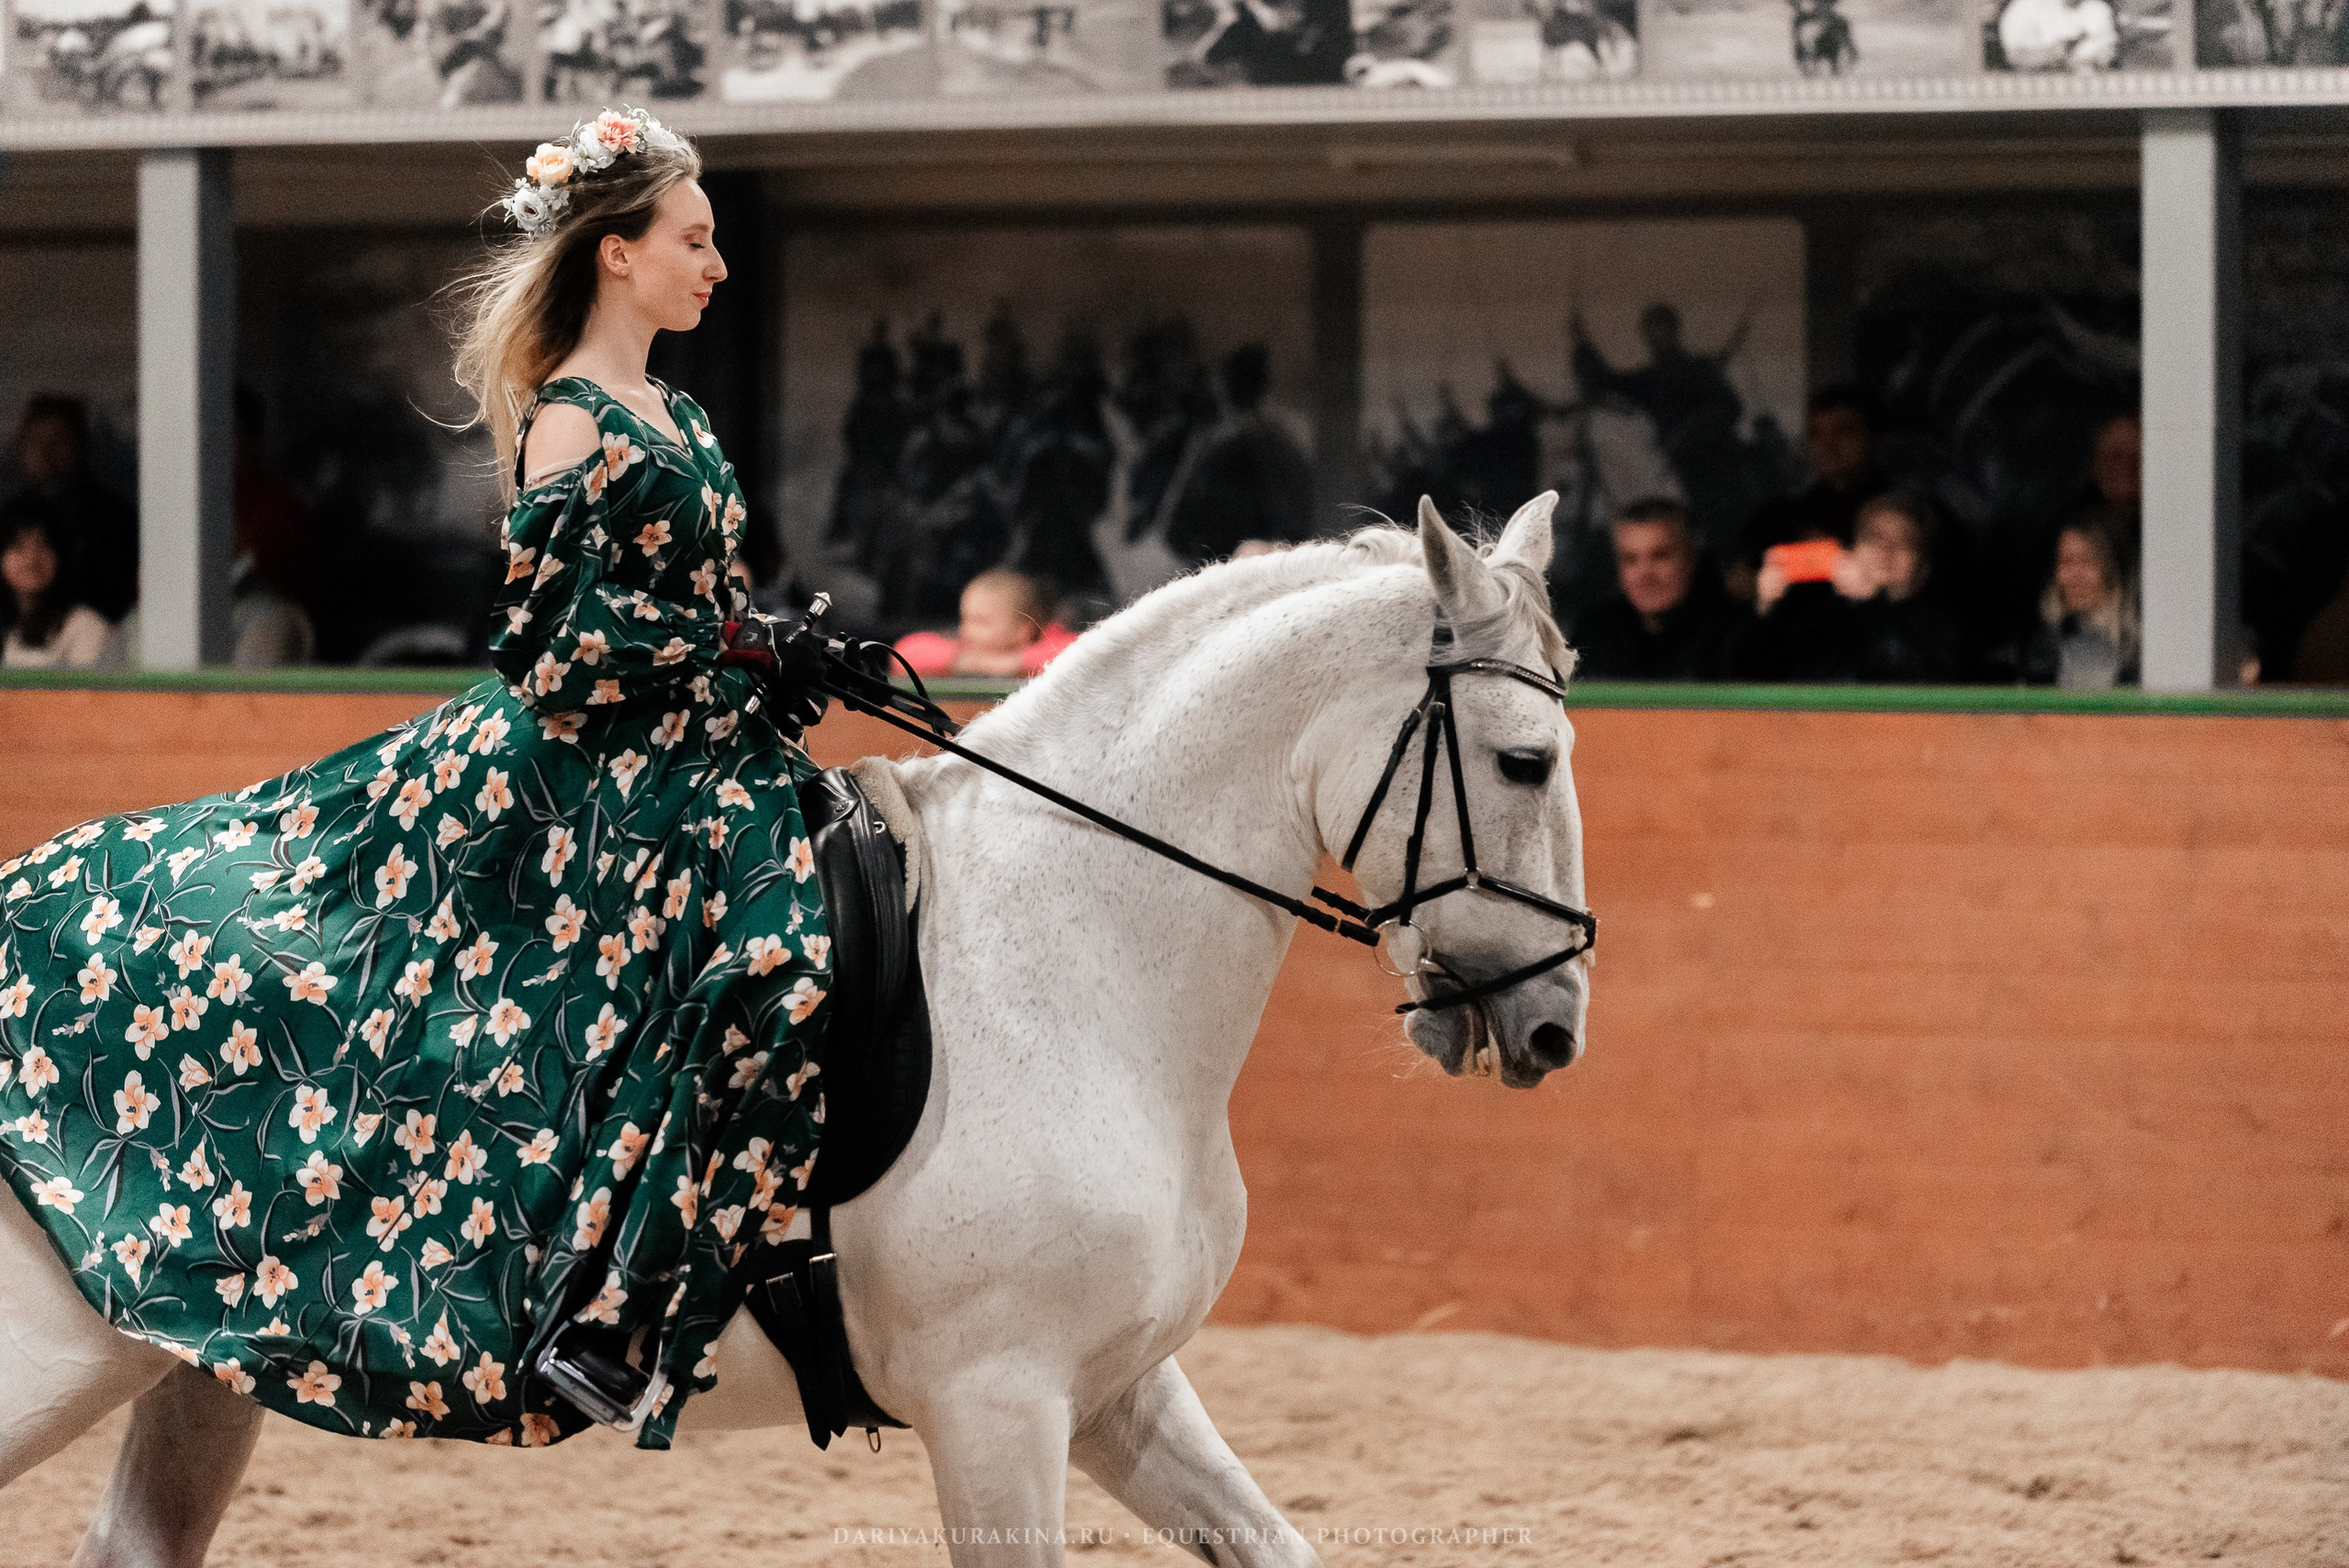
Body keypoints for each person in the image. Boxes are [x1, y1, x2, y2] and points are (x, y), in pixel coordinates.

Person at [0, 107, 830, 1458]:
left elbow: (693, 598)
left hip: (694, 753)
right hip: (576, 776)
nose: (717, 264)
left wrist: (773, 648)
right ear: (617, 255)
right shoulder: (567, 419)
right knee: (678, 989)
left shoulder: (673, 407)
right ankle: (590, 1308)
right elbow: (553, 647)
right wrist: (729, 641)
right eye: (696, 239)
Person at [1737, 488, 1963, 683]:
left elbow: (1913, 676)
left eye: (1904, 541)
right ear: (1854, 549)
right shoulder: (1825, 613)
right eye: (1874, 537)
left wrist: (1870, 602)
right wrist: (1765, 608)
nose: (1885, 549)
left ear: (1922, 565)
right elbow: (1752, 674)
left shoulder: (1939, 623)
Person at [1731, 383, 1885, 605]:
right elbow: (1740, 582)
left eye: (1844, 432)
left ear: (1875, 439)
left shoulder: (1910, 514)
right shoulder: (1779, 515)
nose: (1827, 445)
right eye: (1816, 434)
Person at [1567, 497, 1745, 681]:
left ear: (1691, 560)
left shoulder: (1737, 637)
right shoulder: (1594, 635)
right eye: (1630, 559)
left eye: (1661, 556)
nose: (1644, 574)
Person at [6, 394, 139, 625]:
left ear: (80, 447)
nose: (45, 452)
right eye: (36, 441)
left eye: (59, 441)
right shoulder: (10, 516)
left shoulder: (111, 517)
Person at [2013, 516, 2139, 688]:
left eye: (2088, 562)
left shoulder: (2139, 648)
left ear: (2114, 570)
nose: (2075, 575)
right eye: (2066, 561)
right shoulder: (2040, 646)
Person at [894, 566, 1075, 678]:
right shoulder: (964, 650)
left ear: (1023, 631)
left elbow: (1081, 654)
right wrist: (962, 661)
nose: (966, 631)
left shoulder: (1054, 645)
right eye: (965, 619)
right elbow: (904, 654)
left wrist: (1006, 665)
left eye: (982, 622)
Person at [0, 502, 119, 668]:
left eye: (43, 546)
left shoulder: (84, 624)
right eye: (18, 547)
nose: (32, 559)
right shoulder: (9, 624)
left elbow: (84, 692)